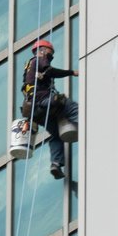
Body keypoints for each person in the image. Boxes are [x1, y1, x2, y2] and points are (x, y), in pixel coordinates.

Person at [14, 38, 77, 179]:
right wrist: (71, 72)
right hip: (44, 102)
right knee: (72, 108)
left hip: (35, 112)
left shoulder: (29, 66)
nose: (51, 56)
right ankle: (88, 125)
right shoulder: (39, 59)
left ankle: (56, 163)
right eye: (50, 52)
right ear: (42, 50)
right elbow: (50, 71)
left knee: (56, 135)